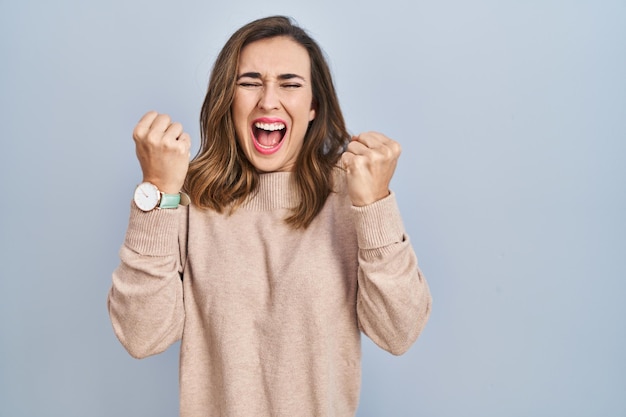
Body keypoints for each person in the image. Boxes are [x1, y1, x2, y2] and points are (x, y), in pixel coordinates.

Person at [108, 15, 432, 417]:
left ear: (314, 105)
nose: (267, 100)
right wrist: (157, 191)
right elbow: (142, 336)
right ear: (228, 98)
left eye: (290, 83)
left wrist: (376, 204)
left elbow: (399, 332)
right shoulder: (184, 199)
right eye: (249, 82)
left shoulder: (351, 198)